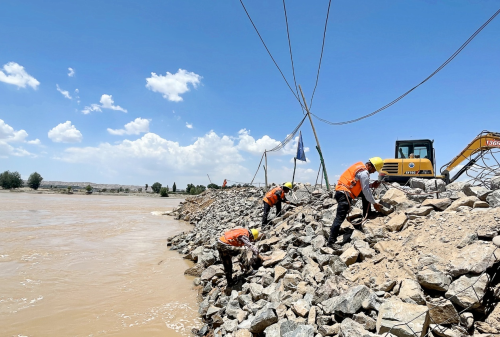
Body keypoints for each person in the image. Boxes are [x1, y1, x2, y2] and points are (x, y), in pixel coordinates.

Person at [327, 157, 384, 250]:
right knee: (339, 218)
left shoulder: (361, 170)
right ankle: (331, 242)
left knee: (365, 195)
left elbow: (360, 186)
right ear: (370, 165)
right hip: (344, 194)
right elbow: (366, 190)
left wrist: (372, 185)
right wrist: (374, 203)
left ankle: (367, 213)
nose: (373, 172)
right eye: (374, 169)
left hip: (342, 192)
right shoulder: (364, 173)